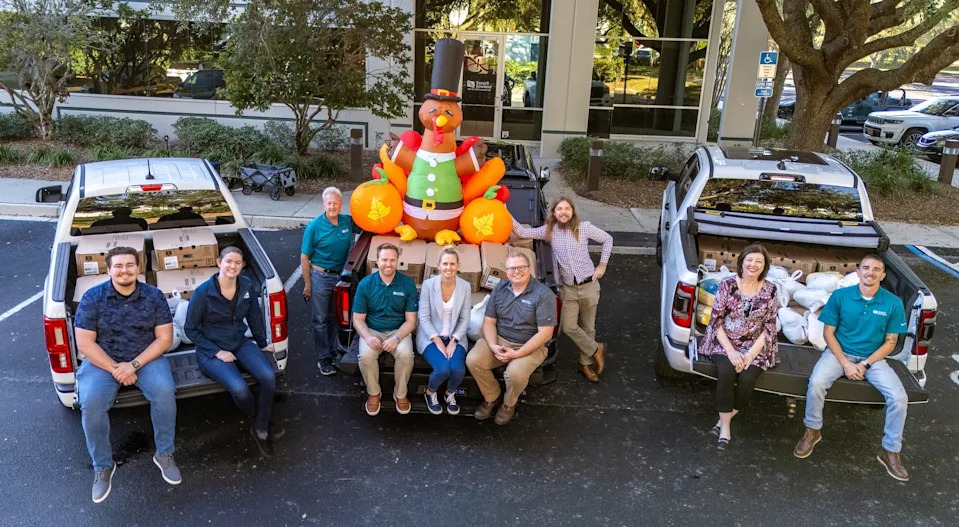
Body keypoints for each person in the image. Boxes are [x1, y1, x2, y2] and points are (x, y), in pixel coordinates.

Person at [73, 246, 180, 503]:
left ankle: (164, 454)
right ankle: (103, 466)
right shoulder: (92, 297)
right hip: (102, 361)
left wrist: (133, 365)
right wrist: (116, 369)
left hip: (144, 358)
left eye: (129, 265)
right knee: (91, 403)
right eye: (118, 266)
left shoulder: (154, 296)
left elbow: (164, 339)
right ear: (108, 270)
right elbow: (85, 344)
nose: (124, 270)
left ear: (138, 268)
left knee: (165, 393)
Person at [794, 254, 910, 481]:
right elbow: (828, 334)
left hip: (873, 359)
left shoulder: (893, 303)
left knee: (899, 397)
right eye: (866, 268)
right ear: (858, 272)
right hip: (839, 354)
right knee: (816, 383)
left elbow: (891, 342)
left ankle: (890, 451)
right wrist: (846, 363)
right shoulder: (840, 297)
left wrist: (865, 364)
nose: (871, 272)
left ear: (883, 275)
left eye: (877, 269)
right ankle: (813, 430)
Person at [183, 246, 279, 458]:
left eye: (237, 263)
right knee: (240, 389)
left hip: (240, 342)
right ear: (219, 263)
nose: (232, 266)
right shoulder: (202, 293)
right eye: (228, 262)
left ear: (242, 265)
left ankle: (260, 427)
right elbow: (190, 329)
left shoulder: (246, 285)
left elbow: (254, 316)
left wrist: (262, 343)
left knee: (268, 377)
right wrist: (217, 351)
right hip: (211, 349)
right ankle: (261, 422)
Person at [512, 196, 613, 382]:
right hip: (569, 288)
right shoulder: (549, 231)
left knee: (588, 327)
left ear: (572, 211)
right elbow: (522, 232)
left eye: (567, 208)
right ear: (554, 213)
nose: (563, 212)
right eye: (559, 209)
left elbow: (607, 239)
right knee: (568, 327)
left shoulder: (584, 227)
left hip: (589, 285)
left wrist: (602, 266)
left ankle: (585, 364)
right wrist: (500, 207)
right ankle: (596, 349)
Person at [697, 245, 779, 449]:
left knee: (748, 377)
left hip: (755, 345)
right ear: (741, 261)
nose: (753, 265)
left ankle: (725, 417)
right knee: (726, 372)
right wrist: (732, 353)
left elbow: (769, 327)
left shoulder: (771, 290)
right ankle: (725, 428)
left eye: (759, 261)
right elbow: (715, 322)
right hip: (725, 342)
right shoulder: (727, 285)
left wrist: (750, 355)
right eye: (750, 260)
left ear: (765, 266)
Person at [466, 252, 557, 425]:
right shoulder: (500, 287)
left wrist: (517, 354)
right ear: (506, 271)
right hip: (500, 339)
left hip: (530, 344)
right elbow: (489, 321)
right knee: (473, 360)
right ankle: (492, 397)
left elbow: (545, 333)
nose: (516, 271)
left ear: (529, 269)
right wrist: (493, 345)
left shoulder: (544, 295)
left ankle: (509, 404)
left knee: (514, 374)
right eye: (511, 268)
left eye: (521, 267)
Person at [353, 243, 418, 416]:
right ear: (377, 261)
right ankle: (374, 393)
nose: (388, 264)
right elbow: (358, 320)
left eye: (392, 260)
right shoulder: (366, 284)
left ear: (398, 261)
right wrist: (367, 337)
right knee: (366, 356)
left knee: (405, 355)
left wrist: (396, 338)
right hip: (372, 330)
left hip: (399, 330)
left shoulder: (407, 284)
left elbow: (411, 321)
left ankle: (400, 394)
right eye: (384, 260)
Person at [301, 187, 354, 376]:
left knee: (335, 317)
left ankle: (333, 352)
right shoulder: (315, 226)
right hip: (320, 277)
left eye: (335, 202)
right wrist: (308, 284)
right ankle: (323, 359)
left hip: (340, 277)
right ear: (324, 205)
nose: (332, 206)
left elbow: (369, 224)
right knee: (320, 319)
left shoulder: (347, 221)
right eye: (329, 203)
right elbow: (304, 257)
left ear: (341, 204)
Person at [416, 247, 471, 415]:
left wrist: (453, 342)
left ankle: (450, 393)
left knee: (459, 369)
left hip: (455, 337)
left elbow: (465, 318)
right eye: (445, 263)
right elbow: (423, 317)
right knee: (443, 369)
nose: (449, 267)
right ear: (438, 265)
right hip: (431, 337)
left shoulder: (465, 286)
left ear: (458, 265)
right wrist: (439, 342)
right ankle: (431, 393)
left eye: (452, 264)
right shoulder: (428, 285)